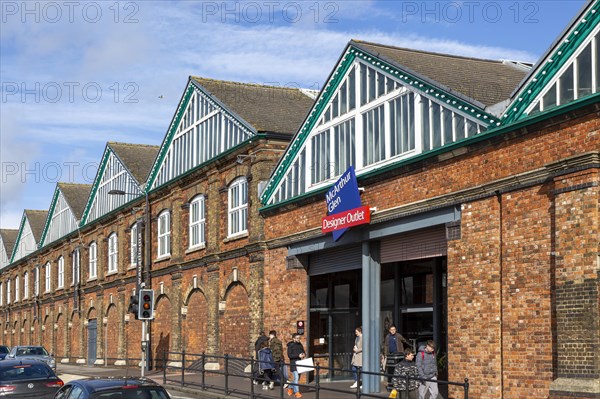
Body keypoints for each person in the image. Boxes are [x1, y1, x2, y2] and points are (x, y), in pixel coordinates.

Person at [286, 333, 306, 398]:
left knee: (296, 379)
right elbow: (289, 355)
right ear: (293, 338)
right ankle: (296, 392)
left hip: (299, 363)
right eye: (297, 338)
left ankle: (290, 387)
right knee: (296, 378)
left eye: (299, 338)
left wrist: (303, 354)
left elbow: (303, 351)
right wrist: (298, 355)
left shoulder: (300, 344)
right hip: (293, 364)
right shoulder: (290, 345)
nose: (298, 339)